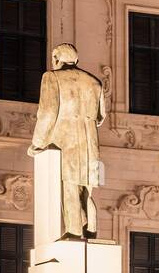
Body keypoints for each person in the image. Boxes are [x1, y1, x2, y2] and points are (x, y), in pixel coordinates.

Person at [28, 43, 106, 239]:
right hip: (90, 144)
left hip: (65, 141)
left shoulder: (52, 77)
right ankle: (91, 227)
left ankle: (73, 230)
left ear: (56, 59)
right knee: (86, 189)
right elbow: (100, 117)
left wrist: (37, 143)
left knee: (68, 185)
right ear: (76, 60)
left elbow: (47, 113)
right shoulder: (95, 82)